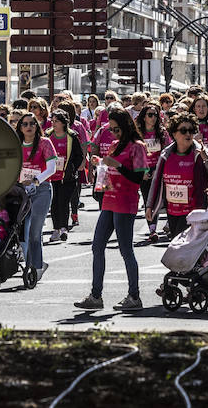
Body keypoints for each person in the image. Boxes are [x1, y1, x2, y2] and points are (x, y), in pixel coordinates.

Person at [75, 107, 147, 312]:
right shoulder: (114, 145)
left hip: (125, 202)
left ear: (126, 126)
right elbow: (110, 170)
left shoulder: (138, 147)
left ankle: (134, 296)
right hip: (109, 199)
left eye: (117, 129)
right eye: (112, 130)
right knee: (97, 246)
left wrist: (117, 165)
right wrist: (102, 172)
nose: (114, 134)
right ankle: (95, 295)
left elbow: (138, 177)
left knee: (126, 250)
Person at [146, 114, 208, 241]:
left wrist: (206, 159)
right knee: (177, 246)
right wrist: (150, 206)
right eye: (183, 130)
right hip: (172, 211)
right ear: (174, 134)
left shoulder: (200, 152)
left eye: (191, 130)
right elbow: (156, 182)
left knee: (184, 248)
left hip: (194, 212)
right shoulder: (166, 154)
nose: (188, 134)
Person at [14, 112, 57, 279]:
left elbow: (51, 168)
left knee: (34, 231)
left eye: (32, 123)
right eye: (24, 124)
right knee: (23, 232)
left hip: (42, 190)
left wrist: (35, 180)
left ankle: (36, 267)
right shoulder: (16, 144)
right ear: (20, 127)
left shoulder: (45, 143)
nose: (28, 127)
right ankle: (31, 264)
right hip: (20, 192)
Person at [47, 109, 85, 243]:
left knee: (63, 202)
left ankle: (63, 228)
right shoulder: (48, 135)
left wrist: (72, 168)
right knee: (54, 203)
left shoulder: (72, 136)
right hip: (51, 176)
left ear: (64, 123)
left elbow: (79, 155)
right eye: (52, 121)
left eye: (56, 121)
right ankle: (56, 229)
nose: (53, 123)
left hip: (67, 177)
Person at [135, 105, 170, 240]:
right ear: (144, 117)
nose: (153, 118)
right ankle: (152, 229)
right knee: (148, 199)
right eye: (150, 115)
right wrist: (142, 171)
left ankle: (169, 224)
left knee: (162, 199)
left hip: (159, 170)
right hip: (144, 171)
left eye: (156, 115)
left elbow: (167, 151)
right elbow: (135, 154)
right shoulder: (138, 133)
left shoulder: (162, 133)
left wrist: (159, 169)